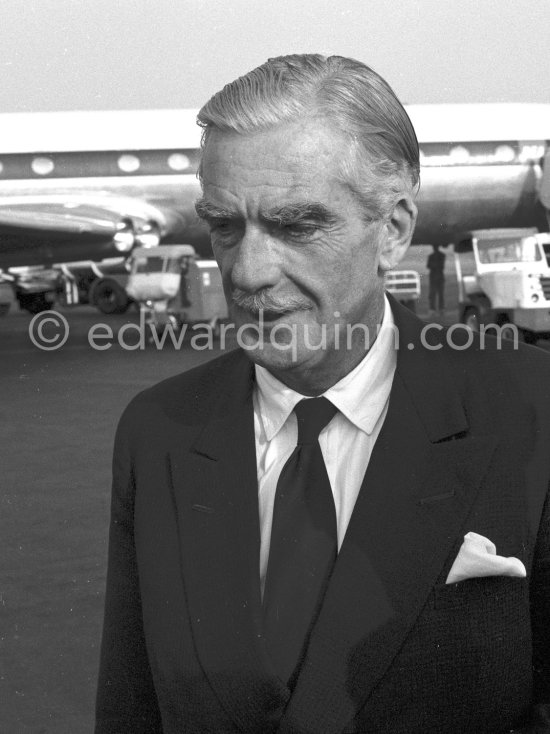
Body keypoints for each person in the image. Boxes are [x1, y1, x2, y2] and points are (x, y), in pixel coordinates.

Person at [95, 54, 550, 734]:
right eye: (224, 227)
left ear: (393, 229)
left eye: (295, 226)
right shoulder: (157, 430)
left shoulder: (530, 408)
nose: (247, 273)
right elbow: (132, 705)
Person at [426, 243, 446, 314]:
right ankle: (433, 309)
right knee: (433, 294)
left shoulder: (441, 255)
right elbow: (428, 266)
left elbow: (441, 265)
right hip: (434, 277)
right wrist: (435, 265)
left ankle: (441, 309)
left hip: (439, 277)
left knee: (440, 294)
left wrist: (434, 265)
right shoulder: (432, 256)